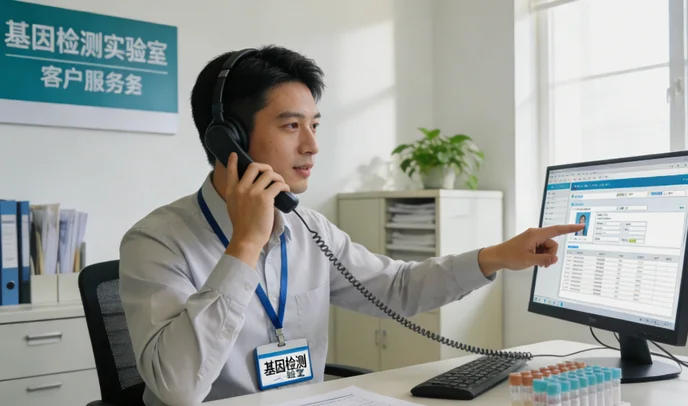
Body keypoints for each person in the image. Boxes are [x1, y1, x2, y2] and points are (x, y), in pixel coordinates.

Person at [118, 45, 585, 406]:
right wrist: (245, 245)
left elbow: (396, 287)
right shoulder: (156, 242)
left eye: (315, 125)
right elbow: (176, 389)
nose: (312, 146)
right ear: (228, 140)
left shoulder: (305, 227)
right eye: (291, 126)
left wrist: (496, 257)